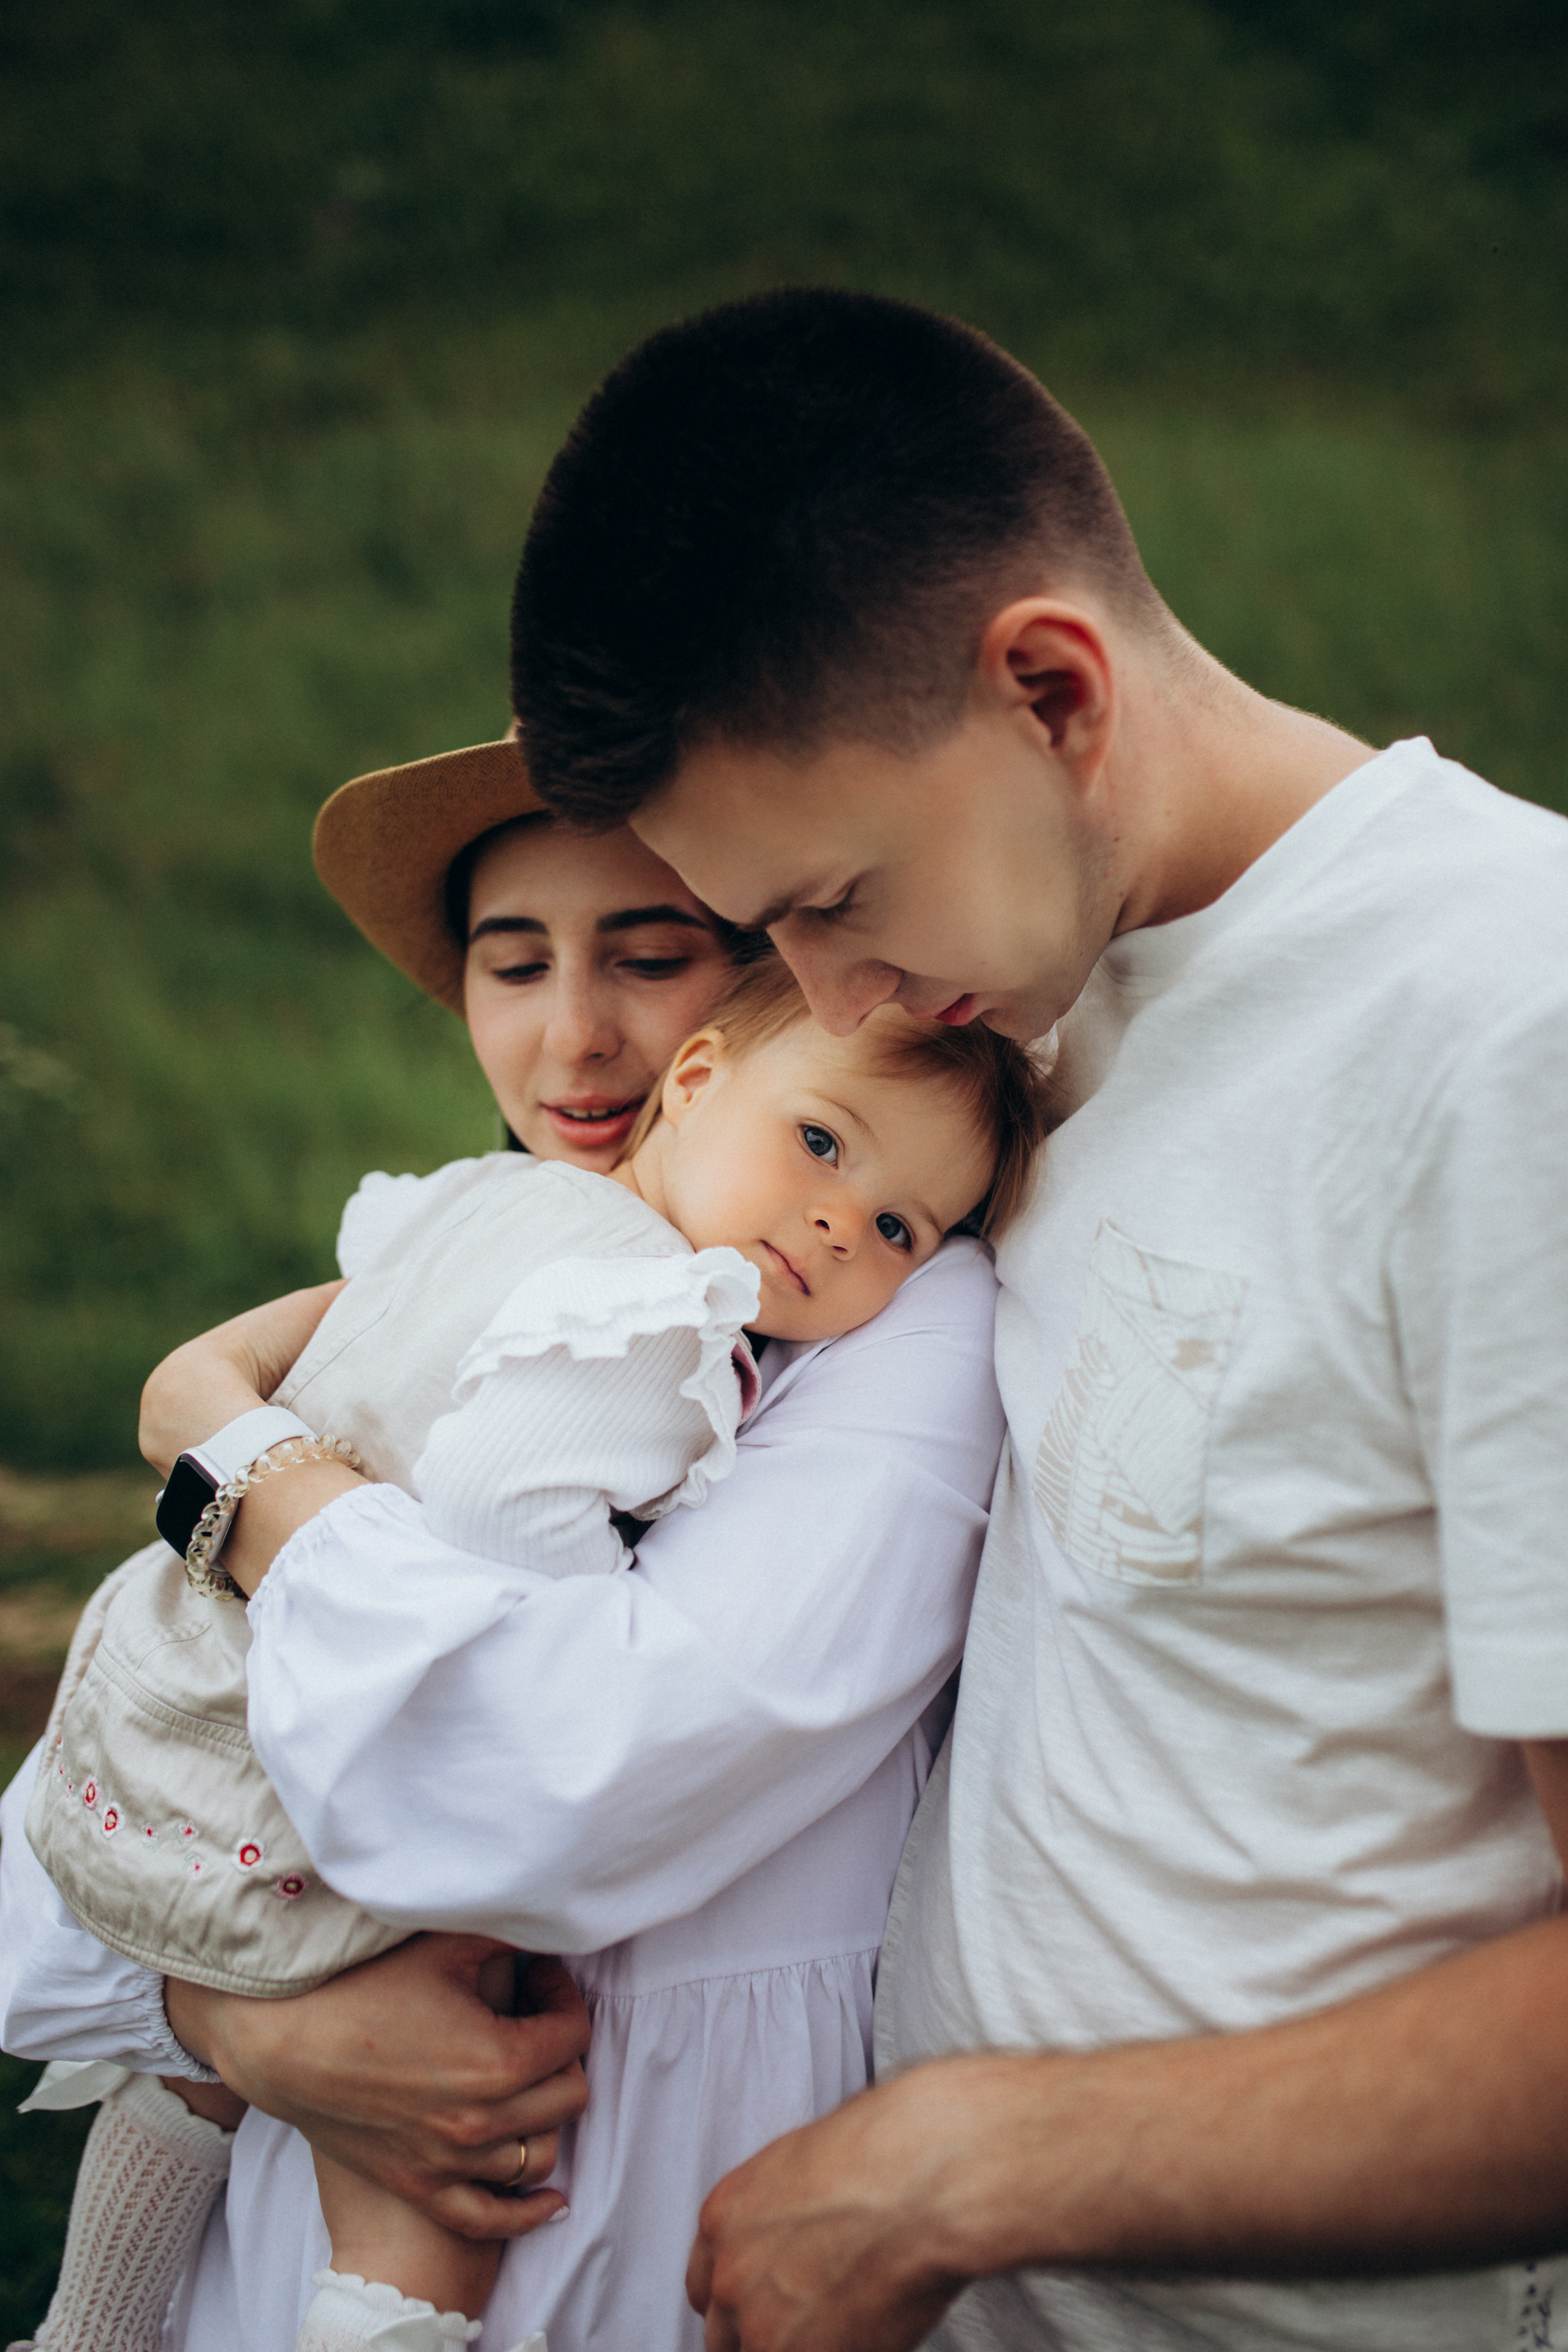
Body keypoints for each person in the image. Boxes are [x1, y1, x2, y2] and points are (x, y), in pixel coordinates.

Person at [493, 288, 1568, 2352]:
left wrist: (971, 2167)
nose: (824, 999)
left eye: (833, 897)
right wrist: (234, 1430)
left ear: (1052, 693)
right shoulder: (1018, 996)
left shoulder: (1500, 1045)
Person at [0, 736, 1012, 2352]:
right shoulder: (480, 1246)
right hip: (291, 2224)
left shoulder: (887, 1332)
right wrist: (250, 2031)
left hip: (646, 2211)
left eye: (652, 953)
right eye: (510, 961)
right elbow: (45, 1892)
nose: (574, 1037)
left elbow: (550, 1766)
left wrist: (232, 1460)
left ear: (782, 976)